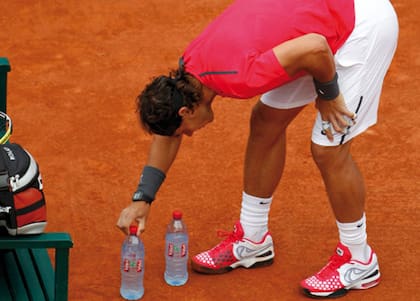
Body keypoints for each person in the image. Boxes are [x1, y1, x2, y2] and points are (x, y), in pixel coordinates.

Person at [117, 0, 398, 298]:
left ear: (185, 112)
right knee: (265, 121)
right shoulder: (189, 68)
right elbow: (168, 133)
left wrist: (328, 93)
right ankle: (253, 240)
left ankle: (359, 259)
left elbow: (315, 48)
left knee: (328, 149)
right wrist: (142, 198)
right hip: (318, 29)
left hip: (361, 26)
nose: (187, 135)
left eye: (182, 130)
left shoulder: (241, 76)